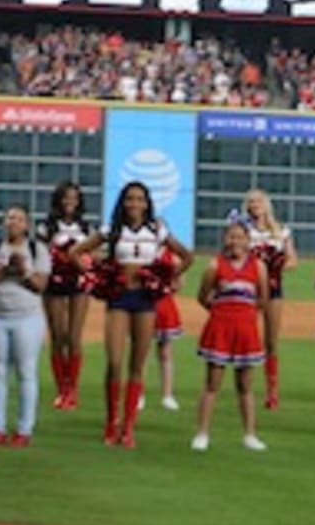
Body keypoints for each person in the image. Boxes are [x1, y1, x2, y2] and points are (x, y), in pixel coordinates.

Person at [71, 181, 193, 447]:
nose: (135, 204)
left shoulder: (157, 230)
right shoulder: (111, 230)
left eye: (140, 199)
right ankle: (110, 422)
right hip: (119, 298)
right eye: (130, 199)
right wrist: (94, 278)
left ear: (147, 203)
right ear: (123, 202)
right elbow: (76, 252)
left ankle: (128, 427)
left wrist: (166, 280)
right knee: (114, 362)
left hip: (145, 300)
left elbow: (186, 256)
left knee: (137, 365)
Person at [0, 205, 51, 446]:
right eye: (9, 218)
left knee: (26, 372)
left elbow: (40, 285)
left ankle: (24, 429)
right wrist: (3, 269)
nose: (12, 222)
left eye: (18, 219)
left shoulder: (37, 249)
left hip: (27, 316)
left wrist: (23, 271)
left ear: (27, 224)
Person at [191, 220, 268, 452]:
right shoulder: (214, 266)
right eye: (231, 236)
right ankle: (202, 433)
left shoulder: (258, 266)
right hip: (220, 329)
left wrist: (247, 315)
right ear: (225, 239)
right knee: (212, 383)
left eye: (240, 237)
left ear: (248, 240)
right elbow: (203, 297)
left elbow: (262, 299)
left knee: (245, 385)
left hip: (246, 330)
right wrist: (221, 312)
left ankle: (250, 434)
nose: (235, 241)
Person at [228, 189, 296, 409]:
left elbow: (293, 259)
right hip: (248, 289)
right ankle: (244, 386)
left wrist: (277, 266)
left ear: (266, 204)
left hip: (274, 288)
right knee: (247, 337)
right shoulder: (243, 230)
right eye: (250, 202)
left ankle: (272, 390)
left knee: (271, 341)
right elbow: (230, 252)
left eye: (257, 201)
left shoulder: (281, 231)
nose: (254, 205)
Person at [38, 181, 92, 411]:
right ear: (58, 200)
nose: (70, 201)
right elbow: (39, 254)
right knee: (58, 336)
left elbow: (92, 254)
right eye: (66, 197)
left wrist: (83, 263)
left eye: (74, 197)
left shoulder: (85, 227)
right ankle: (61, 388)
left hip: (78, 283)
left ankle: (73, 389)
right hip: (54, 284)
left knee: (74, 337)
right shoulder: (46, 227)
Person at [152, 248, 184, 411]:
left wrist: (171, 285)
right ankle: (138, 393)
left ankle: (167, 394)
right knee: (140, 353)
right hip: (145, 305)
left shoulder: (172, 256)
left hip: (165, 305)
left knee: (165, 352)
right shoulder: (143, 249)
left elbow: (179, 283)